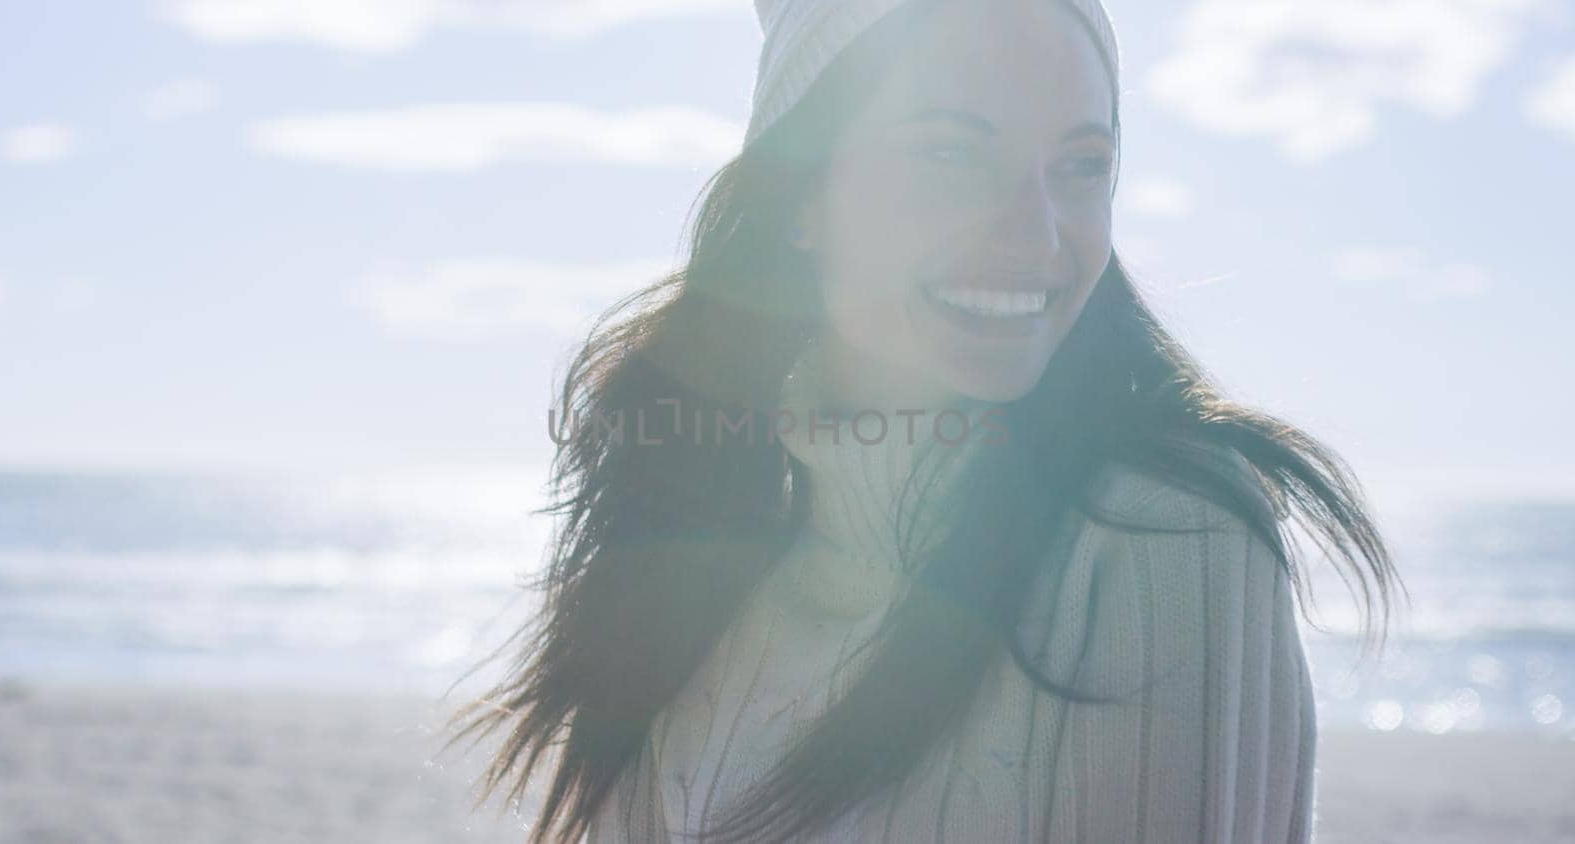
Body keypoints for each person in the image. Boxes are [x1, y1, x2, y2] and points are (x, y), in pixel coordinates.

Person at [446, 0, 1405, 840]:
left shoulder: (1164, 538)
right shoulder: (702, 560)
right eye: (951, 153)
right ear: (799, 198)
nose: (1036, 236)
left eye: (1081, 165)